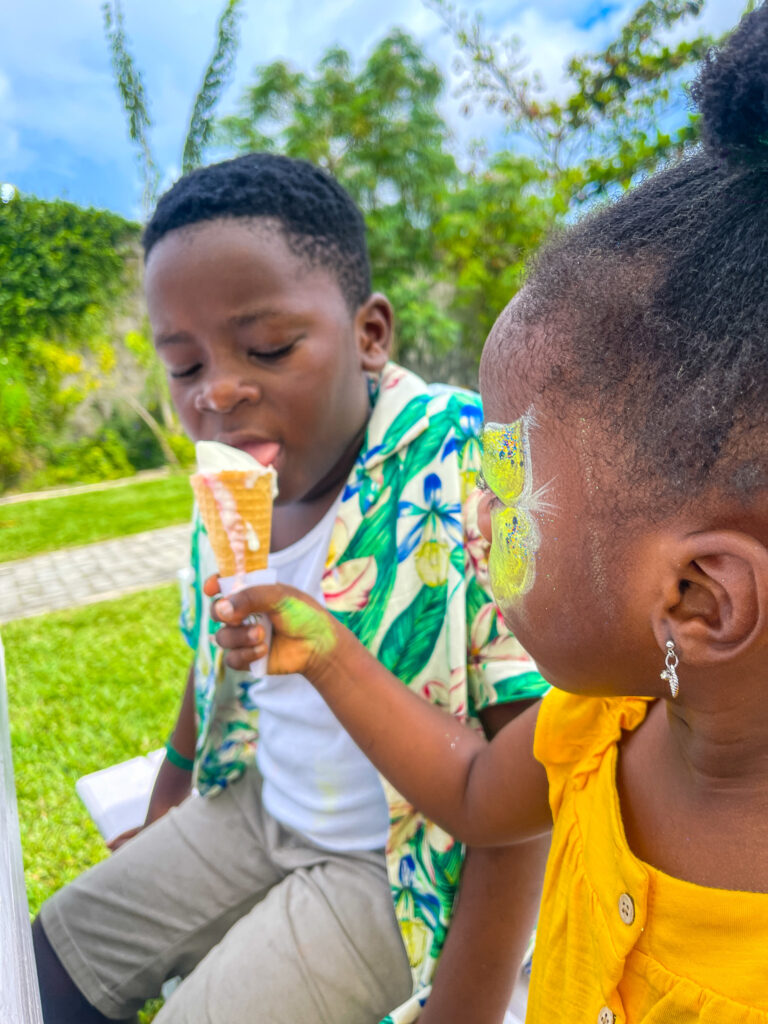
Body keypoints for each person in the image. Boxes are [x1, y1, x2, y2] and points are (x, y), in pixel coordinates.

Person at [209, 8, 768, 1021]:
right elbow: (470, 791)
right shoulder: (610, 719)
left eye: (506, 495)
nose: (475, 518)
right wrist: (326, 646)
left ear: (697, 597)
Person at [32, 153, 550, 1024]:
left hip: (394, 869)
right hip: (255, 806)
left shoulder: (464, 465)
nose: (220, 392)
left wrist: (465, 1009)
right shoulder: (230, 496)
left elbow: (527, 791)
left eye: (267, 348)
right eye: (185, 367)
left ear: (369, 334)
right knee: (47, 961)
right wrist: (164, 815)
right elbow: (209, 679)